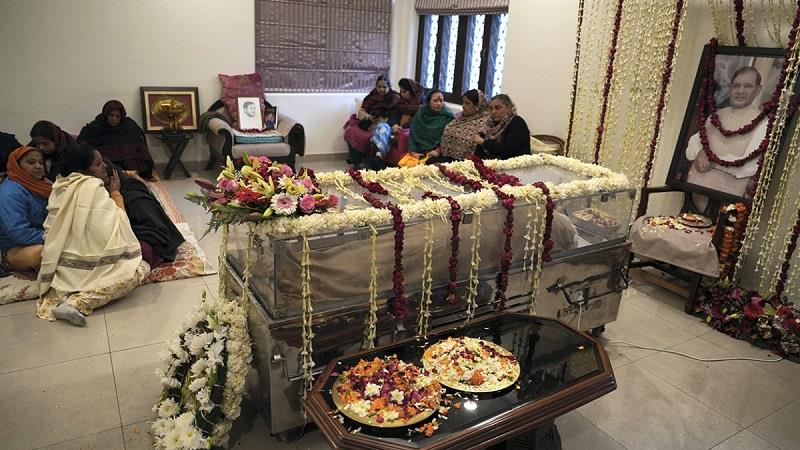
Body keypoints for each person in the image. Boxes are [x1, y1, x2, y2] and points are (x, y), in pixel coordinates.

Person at [36, 144, 149, 326]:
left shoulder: (61, 186)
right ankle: (77, 302)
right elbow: (118, 222)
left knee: (65, 282)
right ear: (84, 170)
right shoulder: (92, 186)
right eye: (98, 164)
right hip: (94, 264)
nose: (104, 166)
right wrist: (115, 193)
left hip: (63, 268)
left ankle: (65, 296)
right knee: (139, 269)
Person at [685, 66, 766, 197]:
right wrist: (698, 152)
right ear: (730, 88)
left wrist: (712, 160)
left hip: (725, 198)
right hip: (692, 189)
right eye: (736, 85)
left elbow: (748, 166)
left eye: (748, 86)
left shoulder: (763, 122)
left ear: (757, 90)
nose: (740, 91)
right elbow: (693, 145)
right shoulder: (715, 116)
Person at [105, 158, 185, 267]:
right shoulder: (97, 190)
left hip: (149, 234)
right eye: (98, 164)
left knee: (142, 251)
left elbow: (125, 225)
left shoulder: (132, 195)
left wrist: (115, 193)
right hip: (128, 229)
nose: (103, 167)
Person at [0, 146, 52, 272]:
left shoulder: (46, 185)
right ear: (17, 166)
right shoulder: (10, 192)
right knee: (43, 254)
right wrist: (53, 237)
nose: (38, 166)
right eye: (31, 162)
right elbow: (19, 233)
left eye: (41, 162)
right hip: (17, 247)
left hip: (48, 237)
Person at [78, 100, 155, 179]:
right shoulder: (95, 127)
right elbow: (83, 146)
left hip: (126, 163)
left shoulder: (129, 126)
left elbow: (140, 146)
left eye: (117, 116)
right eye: (111, 115)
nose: (114, 118)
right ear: (106, 115)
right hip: (106, 164)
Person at [344, 75, 400, 168]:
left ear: (389, 86)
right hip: (370, 123)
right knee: (351, 131)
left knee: (381, 128)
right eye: (379, 87)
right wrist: (368, 116)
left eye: (384, 87)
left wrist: (380, 121)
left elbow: (396, 115)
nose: (381, 89)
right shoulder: (372, 96)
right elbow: (362, 111)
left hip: (386, 125)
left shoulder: (395, 98)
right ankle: (355, 161)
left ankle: (377, 158)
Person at [437, 89, 491, 161]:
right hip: (447, 157)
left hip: (467, 163)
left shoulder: (485, 123)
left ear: (477, 106)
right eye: (463, 102)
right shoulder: (459, 117)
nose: (463, 106)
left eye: (467, 103)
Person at [474, 94, 531, 159]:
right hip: (491, 163)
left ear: (508, 108)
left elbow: (507, 150)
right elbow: (479, 151)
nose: (493, 112)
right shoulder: (489, 125)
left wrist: (483, 142)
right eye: (491, 108)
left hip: (515, 163)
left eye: (498, 108)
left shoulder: (517, 122)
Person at [406, 90, 454, 159]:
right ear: (428, 102)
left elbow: (449, 139)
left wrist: (438, 151)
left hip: (437, 153)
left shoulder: (448, 117)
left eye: (441, 101)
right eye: (435, 101)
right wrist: (413, 152)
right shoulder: (421, 113)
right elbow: (412, 134)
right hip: (418, 151)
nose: (438, 103)